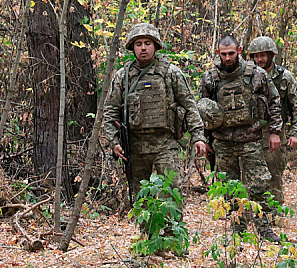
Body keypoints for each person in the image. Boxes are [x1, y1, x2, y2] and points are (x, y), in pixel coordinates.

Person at [105, 23, 208, 209]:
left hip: (165, 144)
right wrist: (114, 142)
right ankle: (148, 236)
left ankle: (172, 236)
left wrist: (198, 136)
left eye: (147, 43)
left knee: (172, 193)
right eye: (138, 44)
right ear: (132, 47)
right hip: (135, 146)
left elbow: (189, 105)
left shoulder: (170, 73)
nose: (143, 48)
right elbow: (110, 111)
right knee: (141, 198)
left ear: (156, 46)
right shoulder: (123, 77)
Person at [199, 35, 283, 242]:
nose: (228, 58)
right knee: (230, 188)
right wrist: (205, 140)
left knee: (259, 186)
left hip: (251, 139)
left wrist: (274, 132)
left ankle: (265, 228)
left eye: (232, 53)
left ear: (239, 50)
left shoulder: (256, 74)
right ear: (218, 53)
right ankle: (238, 230)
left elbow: (274, 102)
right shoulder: (210, 77)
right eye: (224, 54)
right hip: (223, 141)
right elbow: (202, 110)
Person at [247, 36, 297, 207]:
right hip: (252, 131)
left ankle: (276, 209)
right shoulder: (248, 76)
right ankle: (250, 210)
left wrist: (295, 133)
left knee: (275, 171)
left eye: (263, 55)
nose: (259, 59)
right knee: (249, 172)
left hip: (277, 130)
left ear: (271, 55)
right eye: (256, 56)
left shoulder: (284, 77)